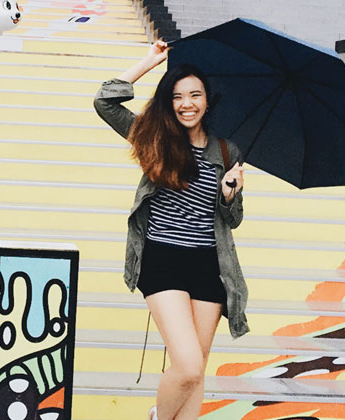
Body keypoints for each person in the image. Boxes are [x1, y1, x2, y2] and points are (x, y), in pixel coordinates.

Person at [93, 40, 250, 420]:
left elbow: (232, 219)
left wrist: (230, 194)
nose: (187, 104)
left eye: (195, 95)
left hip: (208, 264)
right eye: (178, 96)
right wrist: (148, 62)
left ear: (207, 102)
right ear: (169, 102)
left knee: (198, 371)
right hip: (162, 260)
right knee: (188, 365)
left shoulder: (228, 151)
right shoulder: (153, 138)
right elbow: (104, 102)